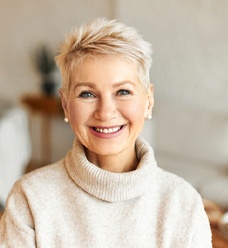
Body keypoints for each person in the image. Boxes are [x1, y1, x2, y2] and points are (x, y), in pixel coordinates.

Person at [0, 18, 211, 247]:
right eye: (87, 94)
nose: (105, 112)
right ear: (65, 105)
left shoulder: (184, 204)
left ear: (148, 101)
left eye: (123, 91)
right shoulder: (29, 200)